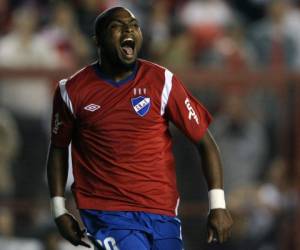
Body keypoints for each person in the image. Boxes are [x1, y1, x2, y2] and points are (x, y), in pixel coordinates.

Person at [46, 7, 233, 250]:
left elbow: (205, 143)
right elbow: (58, 148)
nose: (129, 30)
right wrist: (59, 210)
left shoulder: (162, 82)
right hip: (108, 213)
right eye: (117, 26)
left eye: (134, 25)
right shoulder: (72, 91)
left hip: (162, 212)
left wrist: (218, 205)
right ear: (98, 39)